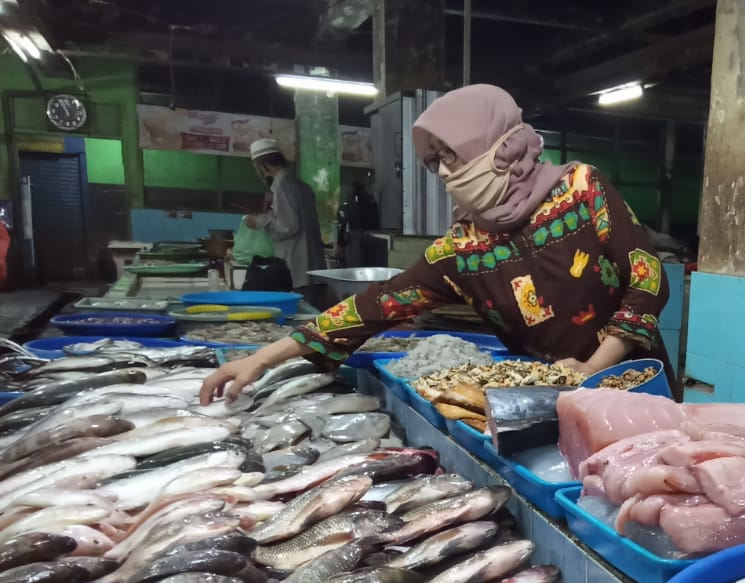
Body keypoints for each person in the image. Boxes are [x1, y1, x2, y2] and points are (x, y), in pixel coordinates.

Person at [200, 85, 673, 404]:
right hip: (552, 394)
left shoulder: (582, 190)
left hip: (634, 379)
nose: (445, 172)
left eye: (452, 154)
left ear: (499, 145)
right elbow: (370, 308)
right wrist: (259, 360)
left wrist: (591, 368)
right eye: (434, 162)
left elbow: (648, 280)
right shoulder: (462, 250)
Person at [244, 138, 326, 295]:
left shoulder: (282, 184)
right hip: (312, 266)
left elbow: (288, 225)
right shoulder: (300, 185)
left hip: (297, 268)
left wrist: (258, 221)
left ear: (263, 165)